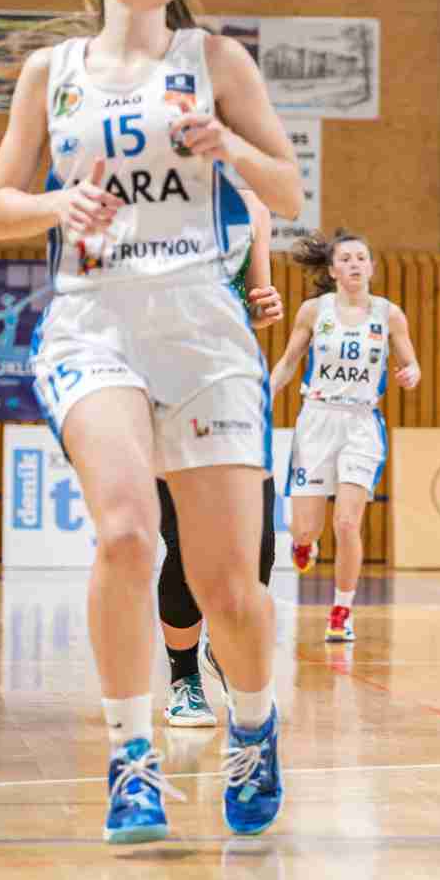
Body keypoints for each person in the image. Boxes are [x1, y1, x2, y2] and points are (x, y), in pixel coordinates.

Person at [0, 0, 301, 842]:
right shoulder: (51, 72)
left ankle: (254, 725)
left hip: (201, 327)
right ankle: (131, 759)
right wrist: (56, 206)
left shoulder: (217, 61)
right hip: (94, 321)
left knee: (229, 587)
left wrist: (229, 144)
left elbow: (287, 189)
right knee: (125, 535)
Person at [159, 190, 284, 726]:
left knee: (259, 546)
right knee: (186, 544)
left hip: (235, 386)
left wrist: (263, 308)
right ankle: (183, 677)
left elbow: (256, 304)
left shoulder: (252, 208)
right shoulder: (146, 199)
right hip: (164, 384)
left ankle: (224, 648)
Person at [269, 228, 421, 642]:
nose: (354, 264)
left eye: (361, 258)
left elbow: (411, 363)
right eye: (346, 259)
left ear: (371, 267)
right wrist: (266, 392)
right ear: (333, 270)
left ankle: (341, 611)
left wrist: (411, 373)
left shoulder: (389, 314)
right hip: (317, 419)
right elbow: (289, 361)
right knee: (304, 529)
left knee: (348, 522)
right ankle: (305, 544)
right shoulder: (314, 311)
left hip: (361, 423)